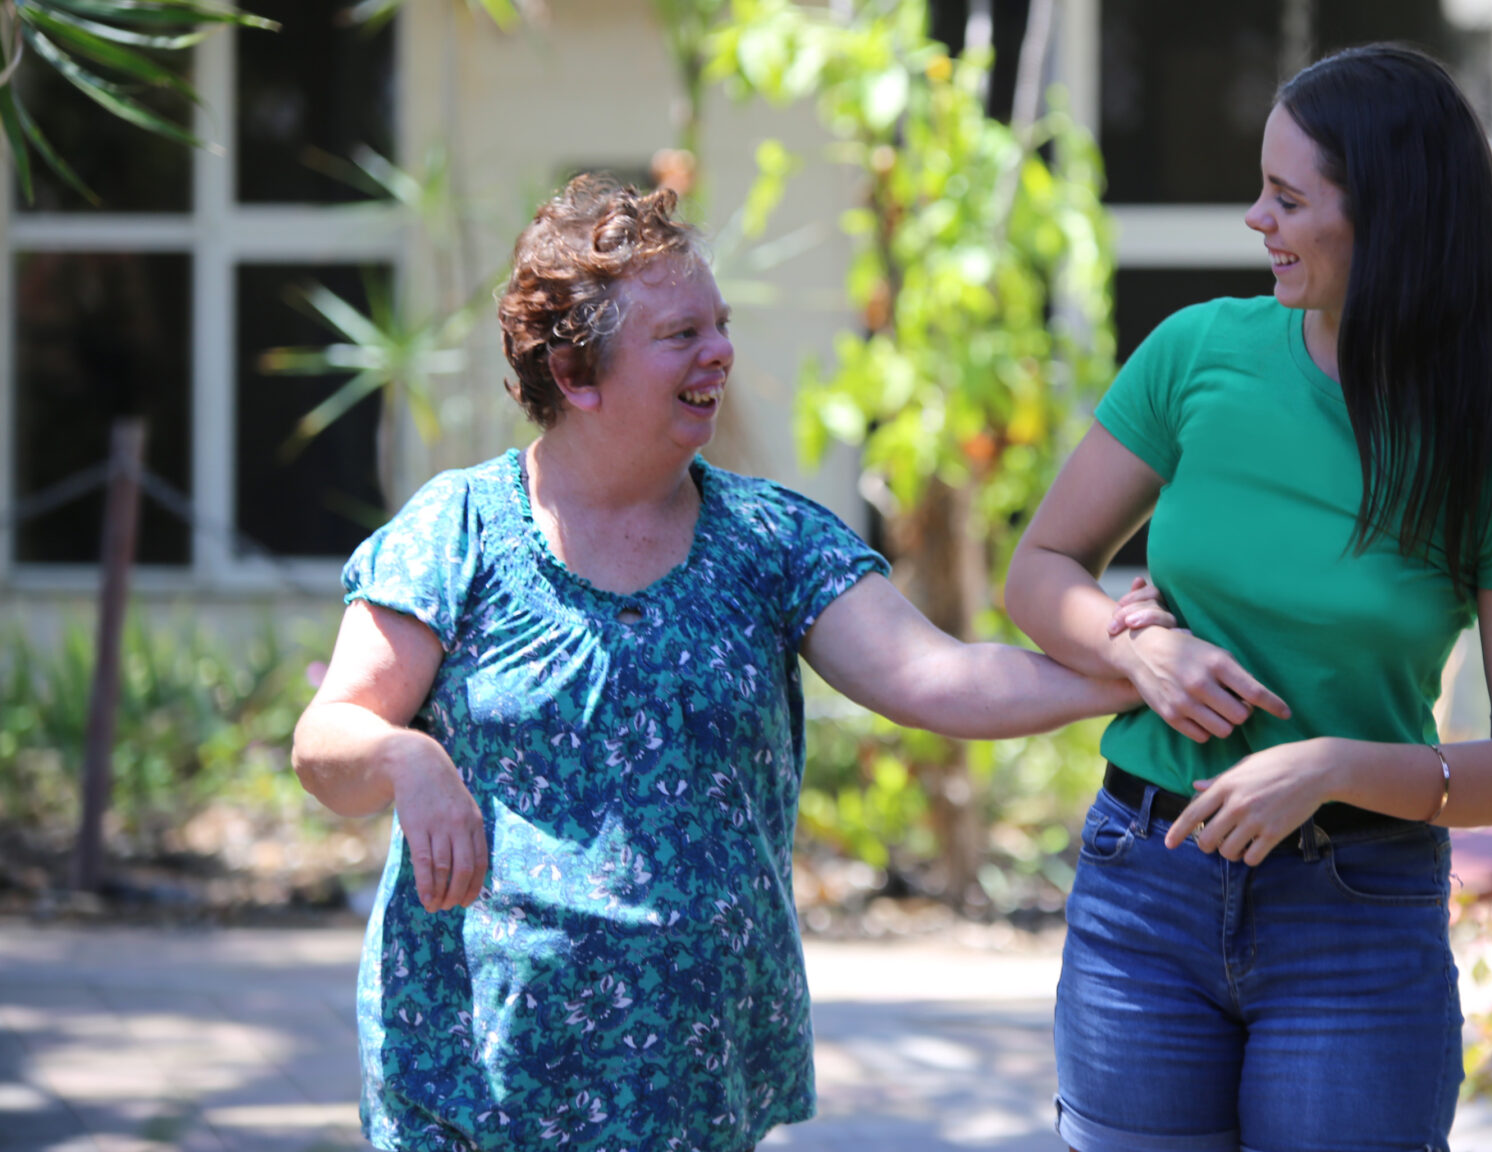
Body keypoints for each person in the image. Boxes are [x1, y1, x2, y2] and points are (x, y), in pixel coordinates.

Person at [290, 174, 1139, 1152]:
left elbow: (934, 678)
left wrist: (1125, 675)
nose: (719, 352)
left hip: (691, 1085)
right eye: (680, 334)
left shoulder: (769, 539)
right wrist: (407, 760)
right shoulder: (458, 531)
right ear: (575, 374)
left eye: (719, 324)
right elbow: (328, 739)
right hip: (477, 1082)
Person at [1005, 44, 1492, 1152]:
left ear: (1391, 217)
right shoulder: (1197, 355)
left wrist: (1331, 764)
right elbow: (1039, 568)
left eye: (1286, 198)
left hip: (1356, 920)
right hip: (1145, 889)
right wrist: (1133, 651)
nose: (1253, 219)